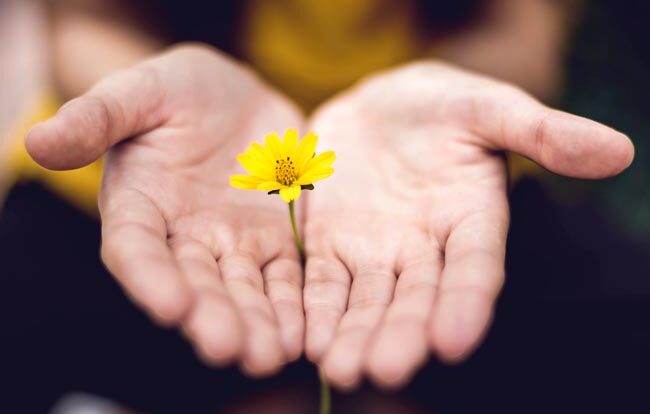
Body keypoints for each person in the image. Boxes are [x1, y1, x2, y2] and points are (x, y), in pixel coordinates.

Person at [9, 0, 636, 392]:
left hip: (433, 181)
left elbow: (522, 29)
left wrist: (458, 88)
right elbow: (86, 18)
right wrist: (131, 91)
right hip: (163, 179)